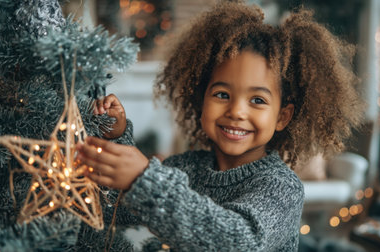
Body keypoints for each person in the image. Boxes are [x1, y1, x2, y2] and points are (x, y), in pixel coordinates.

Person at [78, 1, 364, 251]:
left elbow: (238, 242)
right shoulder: (186, 168)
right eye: (222, 95)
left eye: (257, 100)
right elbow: (119, 208)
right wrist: (117, 139)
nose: (237, 111)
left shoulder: (281, 188)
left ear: (282, 117)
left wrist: (144, 179)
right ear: (201, 99)